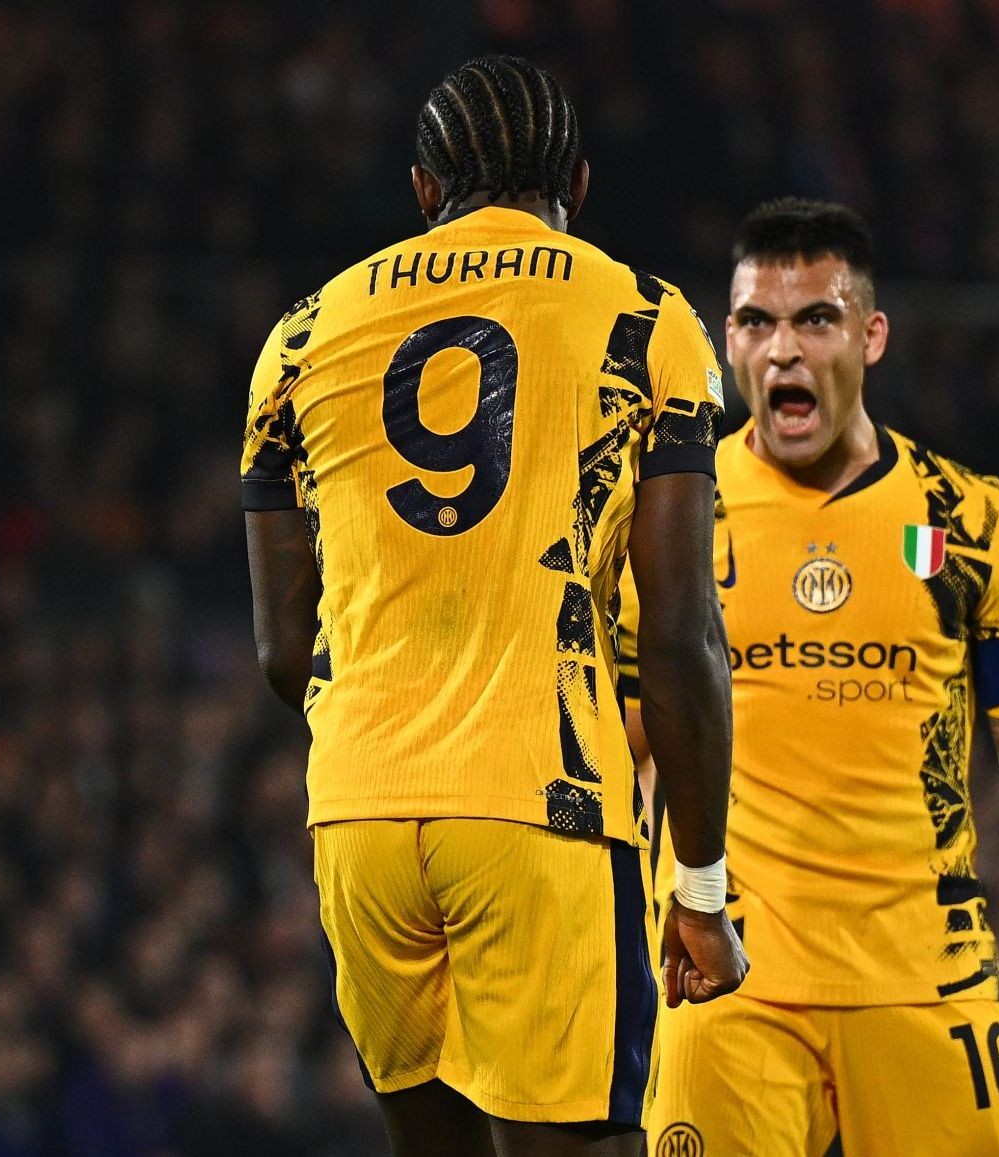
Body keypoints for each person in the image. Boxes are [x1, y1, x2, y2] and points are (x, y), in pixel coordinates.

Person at [241, 55, 747, 1157]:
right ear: (578, 182)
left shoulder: (300, 337)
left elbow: (284, 651)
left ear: (424, 189)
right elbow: (678, 637)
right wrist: (701, 888)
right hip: (541, 802)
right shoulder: (645, 318)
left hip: (360, 813)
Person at [619, 199, 999, 1156]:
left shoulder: (969, 522)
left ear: (870, 336)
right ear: (728, 340)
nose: (783, 350)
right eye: (755, 321)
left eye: (815, 319)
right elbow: (625, 749)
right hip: (728, 977)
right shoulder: (671, 521)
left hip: (925, 975)